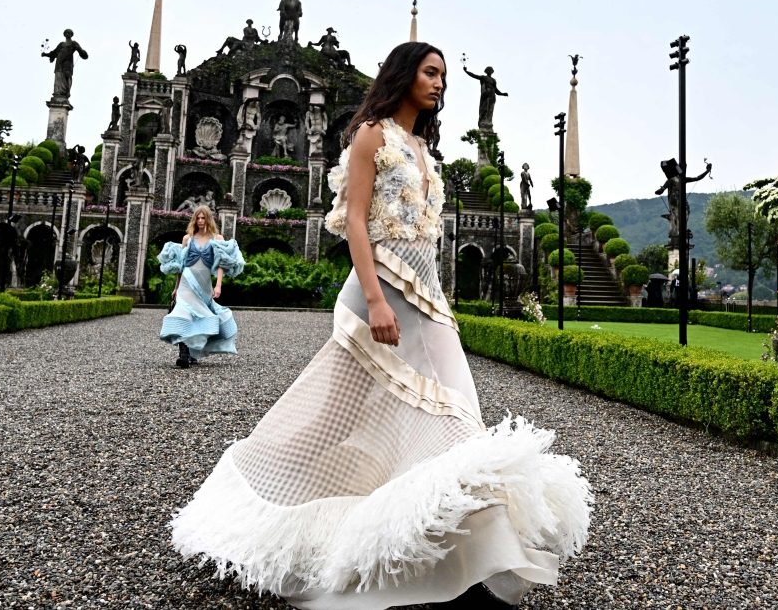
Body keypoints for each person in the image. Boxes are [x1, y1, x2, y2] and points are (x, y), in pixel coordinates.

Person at [170, 42, 592, 608]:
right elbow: (355, 223)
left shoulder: (421, 147)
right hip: (378, 296)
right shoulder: (371, 135)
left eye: (444, 74)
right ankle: (257, 505)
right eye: (431, 72)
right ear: (404, 75)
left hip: (429, 302)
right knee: (326, 417)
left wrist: (431, 301)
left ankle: (464, 554)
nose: (441, 83)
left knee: (458, 416)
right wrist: (375, 301)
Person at [157, 206, 244, 367]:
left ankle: (193, 352)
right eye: (198, 218)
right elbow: (181, 266)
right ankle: (183, 354)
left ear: (208, 219)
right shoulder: (187, 239)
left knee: (199, 316)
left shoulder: (217, 239)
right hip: (186, 282)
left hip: (204, 284)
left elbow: (221, 264)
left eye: (203, 218)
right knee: (183, 313)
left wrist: (218, 286)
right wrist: (176, 287)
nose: (200, 221)